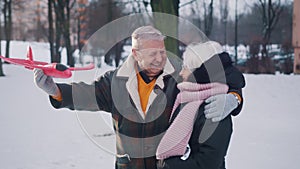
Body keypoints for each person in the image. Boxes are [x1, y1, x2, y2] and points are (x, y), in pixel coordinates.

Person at [156, 41, 245, 169]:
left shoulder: (214, 108)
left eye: (185, 67)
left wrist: (168, 166)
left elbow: (208, 162)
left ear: (198, 72)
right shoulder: (185, 95)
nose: (181, 73)